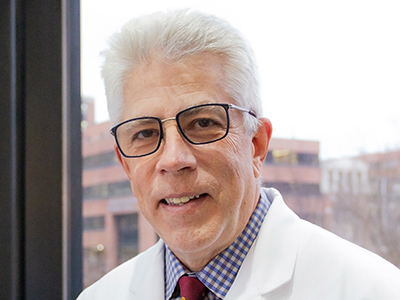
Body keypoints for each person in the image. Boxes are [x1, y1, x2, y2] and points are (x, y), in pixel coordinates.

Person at [77, 9, 400, 300]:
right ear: (125, 164)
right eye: (145, 133)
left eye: (203, 122)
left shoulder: (373, 290)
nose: (174, 159)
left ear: (256, 143)